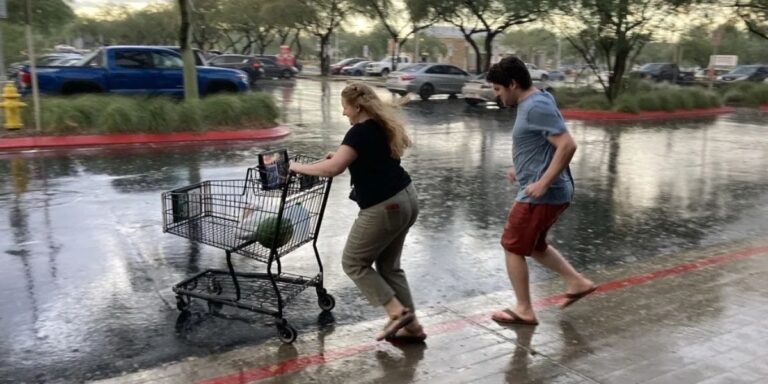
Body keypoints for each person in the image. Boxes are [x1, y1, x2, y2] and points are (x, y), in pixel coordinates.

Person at [289, 82, 425, 342]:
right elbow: (364, 157)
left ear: (357, 107)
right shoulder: (381, 126)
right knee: (389, 267)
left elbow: (333, 169)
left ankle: (397, 313)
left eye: (345, 107)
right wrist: (341, 155)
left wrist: (296, 166)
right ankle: (413, 328)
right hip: (406, 198)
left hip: (385, 206)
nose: (343, 113)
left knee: (354, 262)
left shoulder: (359, 133)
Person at [487, 57, 597, 326]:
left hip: (543, 194)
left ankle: (524, 309)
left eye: (498, 90)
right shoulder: (537, 100)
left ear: (512, 84)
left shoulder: (535, 106)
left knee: (512, 246)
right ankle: (577, 281)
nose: (497, 96)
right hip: (546, 190)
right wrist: (522, 168)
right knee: (534, 246)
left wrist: (543, 182)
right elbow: (542, 144)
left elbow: (567, 145)